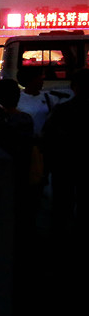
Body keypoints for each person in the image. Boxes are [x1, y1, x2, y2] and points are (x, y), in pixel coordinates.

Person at [41, 68, 88, 232]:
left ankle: (60, 240)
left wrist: (46, 169)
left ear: (74, 87)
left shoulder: (62, 110)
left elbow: (48, 139)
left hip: (64, 166)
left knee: (62, 206)